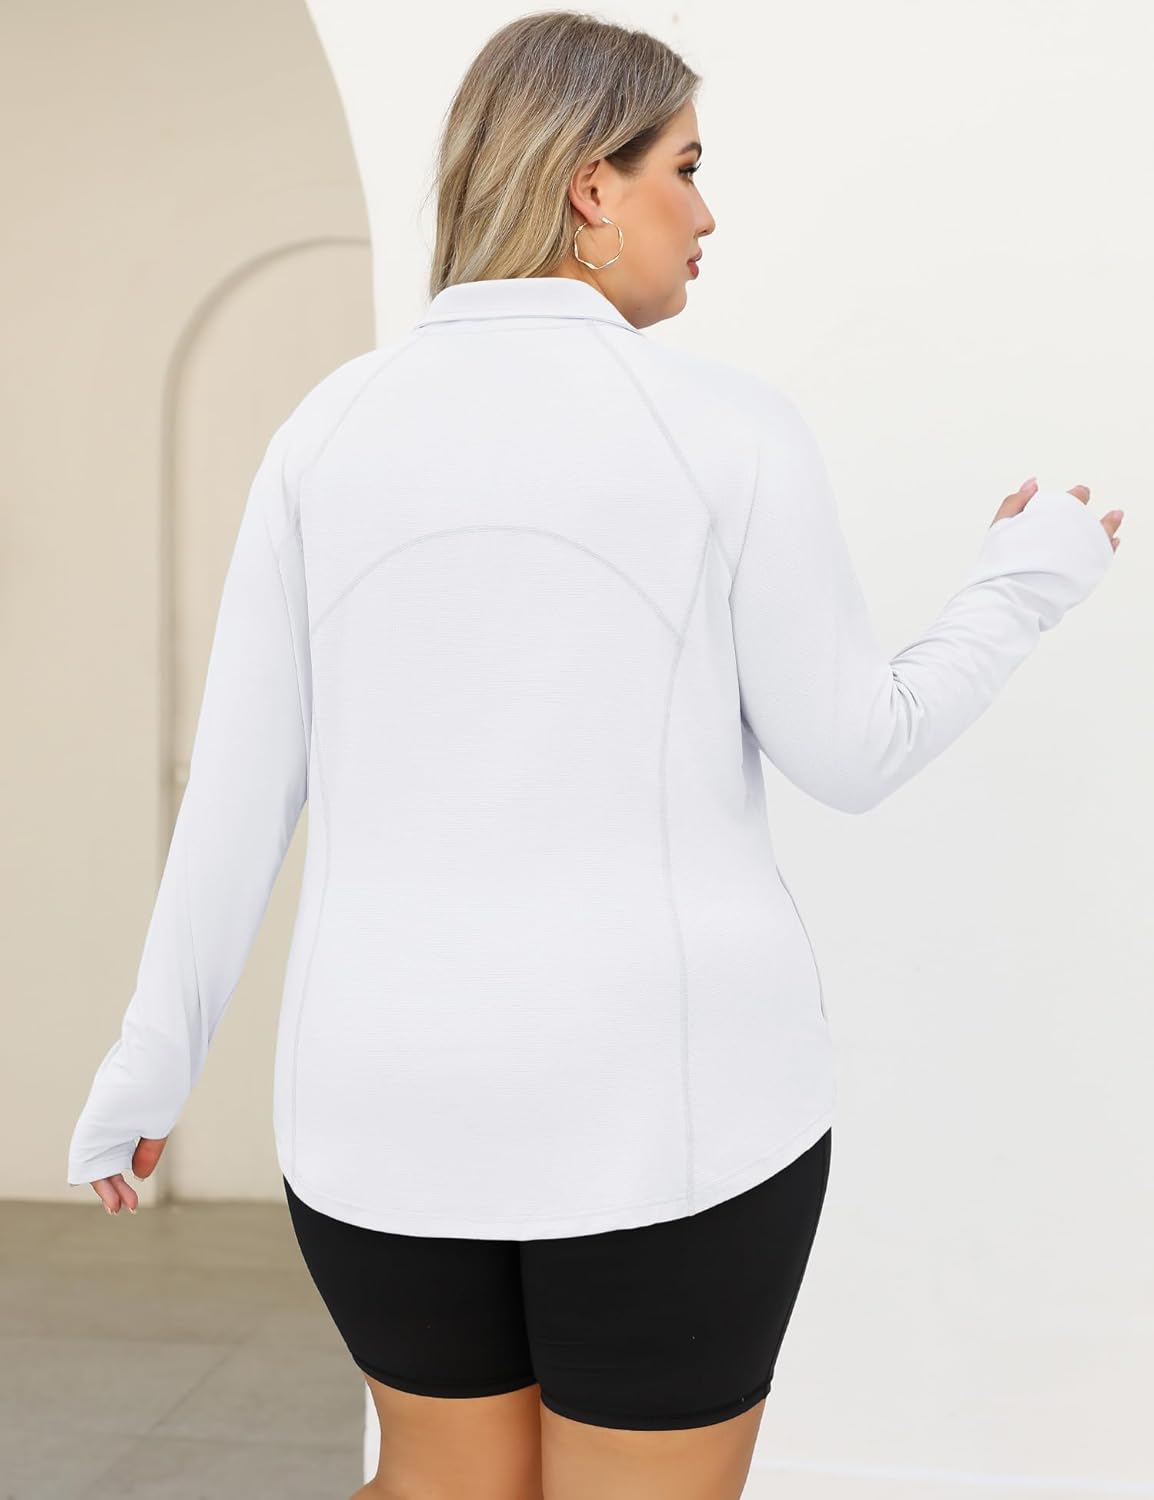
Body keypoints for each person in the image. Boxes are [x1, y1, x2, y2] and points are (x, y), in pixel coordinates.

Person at [65, 11, 1122, 1499]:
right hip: (666, 1105)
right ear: (589, 186)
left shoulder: (326, 432)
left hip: (381, 1102)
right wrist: (1024, 585)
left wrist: (149, 1064)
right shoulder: (723, 429)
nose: (707, 212)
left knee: (439, 1484)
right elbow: (855, 751)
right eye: (683, 167)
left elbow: (239, 795)